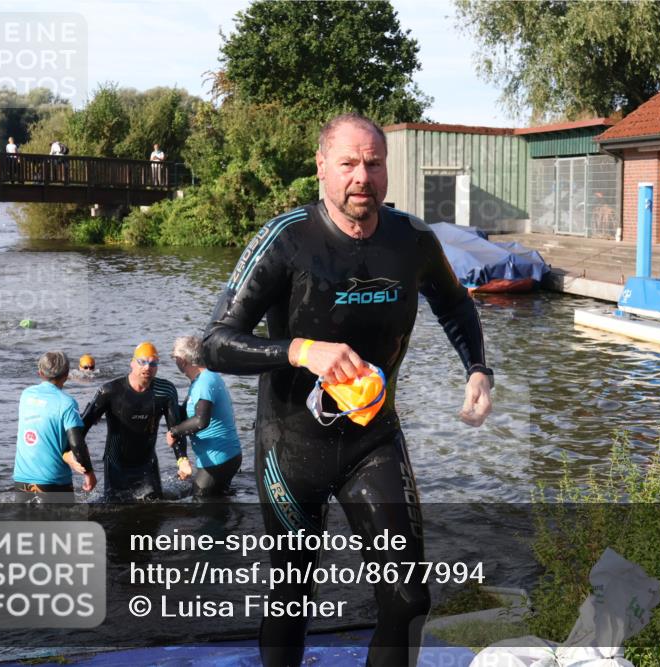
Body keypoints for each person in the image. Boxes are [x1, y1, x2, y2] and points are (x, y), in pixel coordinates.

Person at [202, 112, 494, 667]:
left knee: (409, 598)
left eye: (374, 163)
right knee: (292, 598)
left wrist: (477, 367)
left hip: (373, 441)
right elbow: (214, 342)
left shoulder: (412, 240)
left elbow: (455, 303)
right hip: (291, 447)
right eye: (349, 163)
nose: (362, 176)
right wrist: (299, 350)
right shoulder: (286, 240)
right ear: (322, 168)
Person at [82, 342, 189, 500]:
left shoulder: (166, 391)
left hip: (147, 464)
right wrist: (84, 466)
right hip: (116, 463)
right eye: (142, 362)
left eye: (153, 363)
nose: (147, 367)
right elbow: (82, 426)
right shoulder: (110, 391)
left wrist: (182, 459)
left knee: (156, 511)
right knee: (115, 514)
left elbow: (175, 430)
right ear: (132, 363)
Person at [12, 352, 96, 502]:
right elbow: (77, 443)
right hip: (54, 482)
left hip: (22, 480)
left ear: (40, 373)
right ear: (66, 375)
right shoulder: (67, 403)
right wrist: (89, 473)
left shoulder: (26, 395)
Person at [165, 336, 242, 497]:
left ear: (183, 360)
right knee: (219, 501)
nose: (175, 361)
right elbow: (185, 413)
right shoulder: (201, 380)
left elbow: (201, 421)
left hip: (219, 459)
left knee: (200, 505)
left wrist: (174, 432)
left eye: (175, 357)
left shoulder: (205, 381)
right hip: (224, 456)